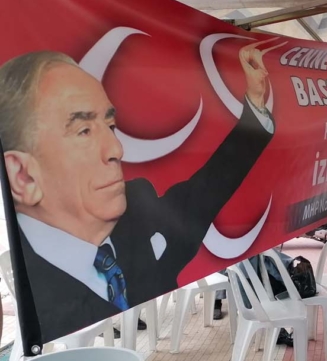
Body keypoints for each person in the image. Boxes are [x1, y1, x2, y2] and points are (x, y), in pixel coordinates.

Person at [0, 48, 276, 339]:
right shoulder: (34, 290)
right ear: (23, 175)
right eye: (83, 131)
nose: (116, 149)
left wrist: (255, 104)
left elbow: (207, 189)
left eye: (110, 125)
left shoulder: (136, 210)